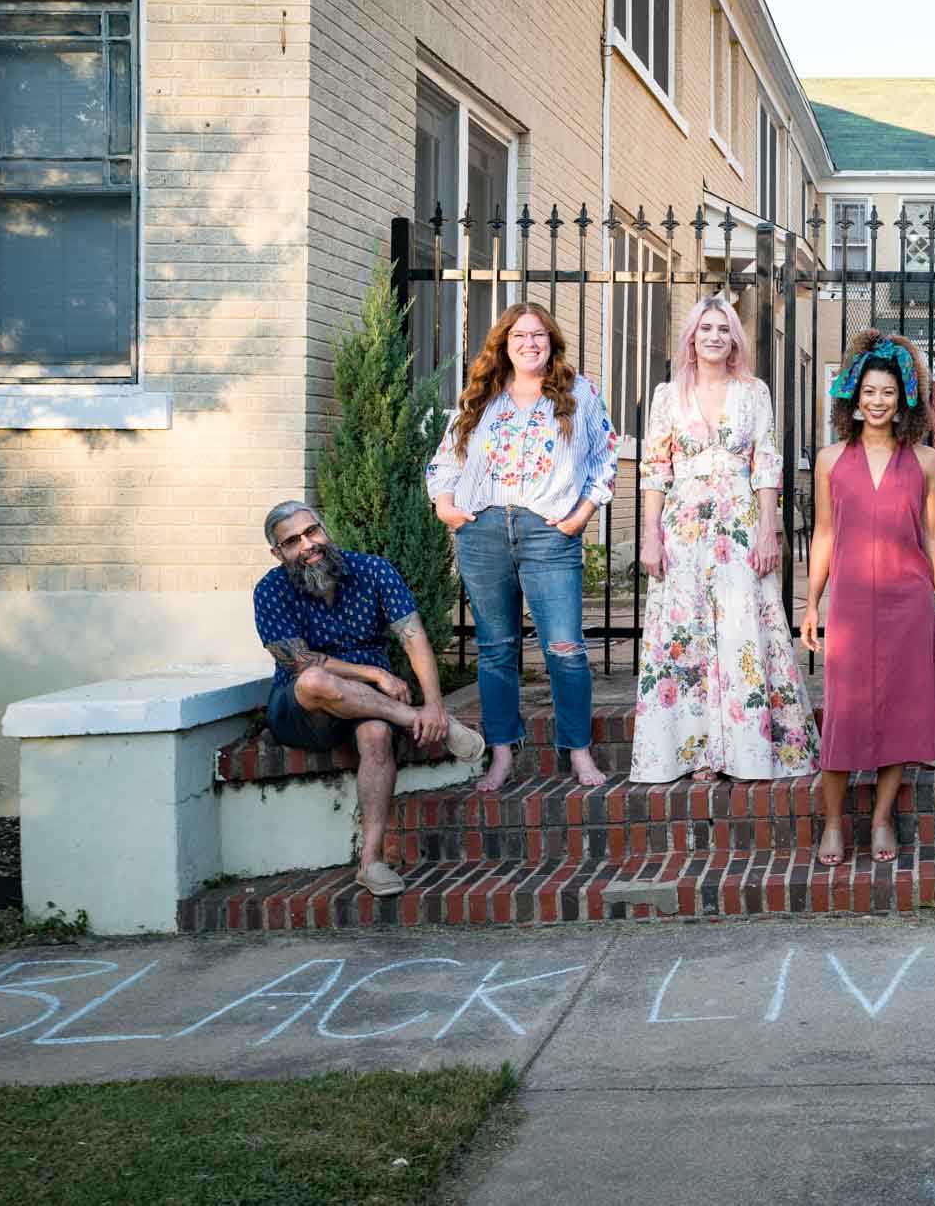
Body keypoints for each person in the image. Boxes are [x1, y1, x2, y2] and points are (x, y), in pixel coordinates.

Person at [427, 301, 617, 793]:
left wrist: (581, 516)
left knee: (565, 647)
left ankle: (578, 750)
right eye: (519, 336)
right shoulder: (482, 395)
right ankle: (502, 753)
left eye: (538, 335)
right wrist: (446, 507)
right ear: (504, 345)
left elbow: (604, 460)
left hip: (548, 531)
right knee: (496, 649)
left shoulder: (579, 394)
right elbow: (446, 460)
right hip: (483, 530)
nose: (529, 343)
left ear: (551, 342)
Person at [253, 500, 487, 897]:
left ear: (325, 529)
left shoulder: (373, 570)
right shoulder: (270, 589)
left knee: (377, 735)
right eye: (292, 541)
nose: (308, 545)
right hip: (301, 711)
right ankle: (411, 718)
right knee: (314, 680)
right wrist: (375, 674)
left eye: (312, 531)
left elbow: (412, 635)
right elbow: (299, 662)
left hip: (368, 704)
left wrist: (435, 704)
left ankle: (371, 862)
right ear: (278, 553)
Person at [630, 294, 818, 783]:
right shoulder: (667, 396)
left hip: (739, 523)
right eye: (706, 328)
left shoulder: (753, 392)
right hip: (683, 527)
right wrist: (650, 535)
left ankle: (746, 749)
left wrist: (768, 528)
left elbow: (767, 463)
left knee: (743, 629)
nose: (714, 336)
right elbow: (654, 469)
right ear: (691, 337)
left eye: (723, 329)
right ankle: (697, 752)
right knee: (685, 634)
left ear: (734, 339)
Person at [801, 330, 935, 866]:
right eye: (868, 391)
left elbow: (933, 535)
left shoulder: (926, 460)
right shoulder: (830, 459)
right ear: (853, 394)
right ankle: (833, 822)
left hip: (908, 605)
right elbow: (824, 533)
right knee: (843, 714)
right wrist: (811, 602)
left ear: (904, 398)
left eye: (887, 392)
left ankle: (883, 817)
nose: (877, 401)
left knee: (900, 712)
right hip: (849, 606)